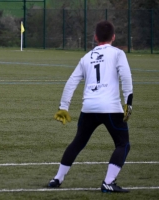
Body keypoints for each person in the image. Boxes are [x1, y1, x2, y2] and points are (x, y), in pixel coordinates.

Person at [48, 21, 133, 193]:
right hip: (110, 107)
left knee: (78, 142)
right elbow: (126, 77)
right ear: (113, 37)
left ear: (95, 37)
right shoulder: (118, 54)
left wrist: (64, 107)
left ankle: (57, 178)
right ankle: (109, 182)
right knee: (123, 144)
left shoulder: (86, 57)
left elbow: (71, 82)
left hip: (89, 108)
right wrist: (128, 103)